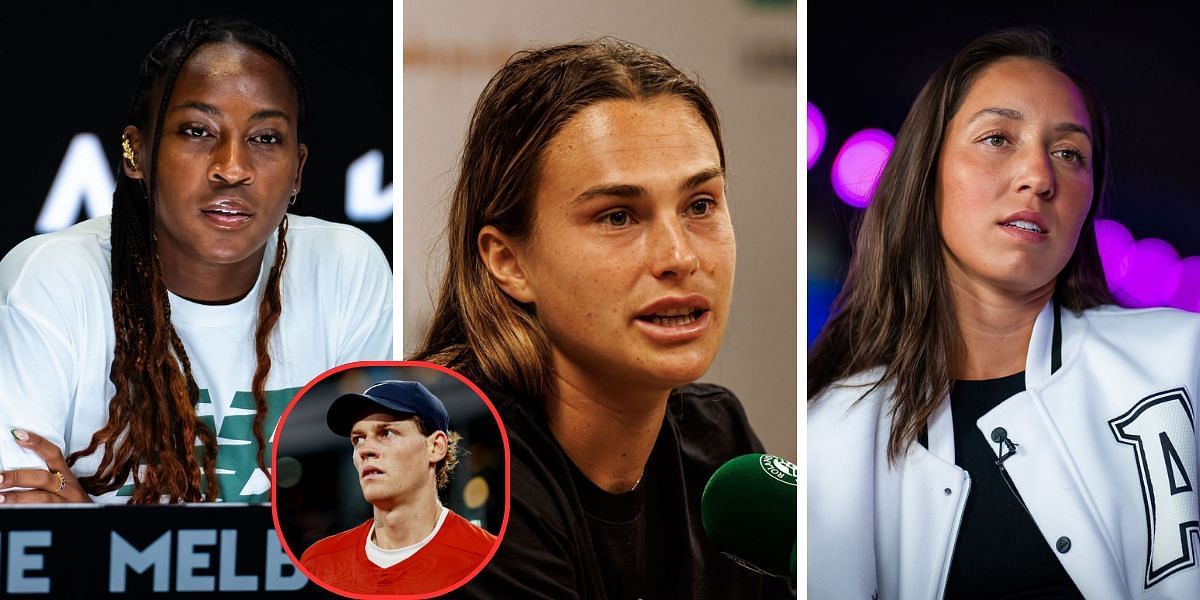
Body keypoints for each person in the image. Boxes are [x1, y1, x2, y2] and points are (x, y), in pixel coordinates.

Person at [807, 28, 1200, 599]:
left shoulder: (1181, 359)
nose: (1039, 177)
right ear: (927, 170)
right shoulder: (835, 433)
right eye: (997, 138)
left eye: (1069, 154)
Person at [412, 38, 794, 598]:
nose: (680, 257)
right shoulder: (453, 471)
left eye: (701, 205)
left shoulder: (716, 442)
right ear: (509, 262)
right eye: (618, 216)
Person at [0, 16, 392, 504]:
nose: (232, 168)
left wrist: (89, 522)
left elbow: (379, 511)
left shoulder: (345, 269)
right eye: (197, 131)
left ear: (298, 171)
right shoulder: (50, 279)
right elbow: (24, 510)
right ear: (135, 152)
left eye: (265, 138)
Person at [300, 379, 497, 595]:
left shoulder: (487, 558)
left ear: (435, 446)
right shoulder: (318, 562)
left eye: (387, 433)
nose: (365, 450)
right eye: (358, 439)